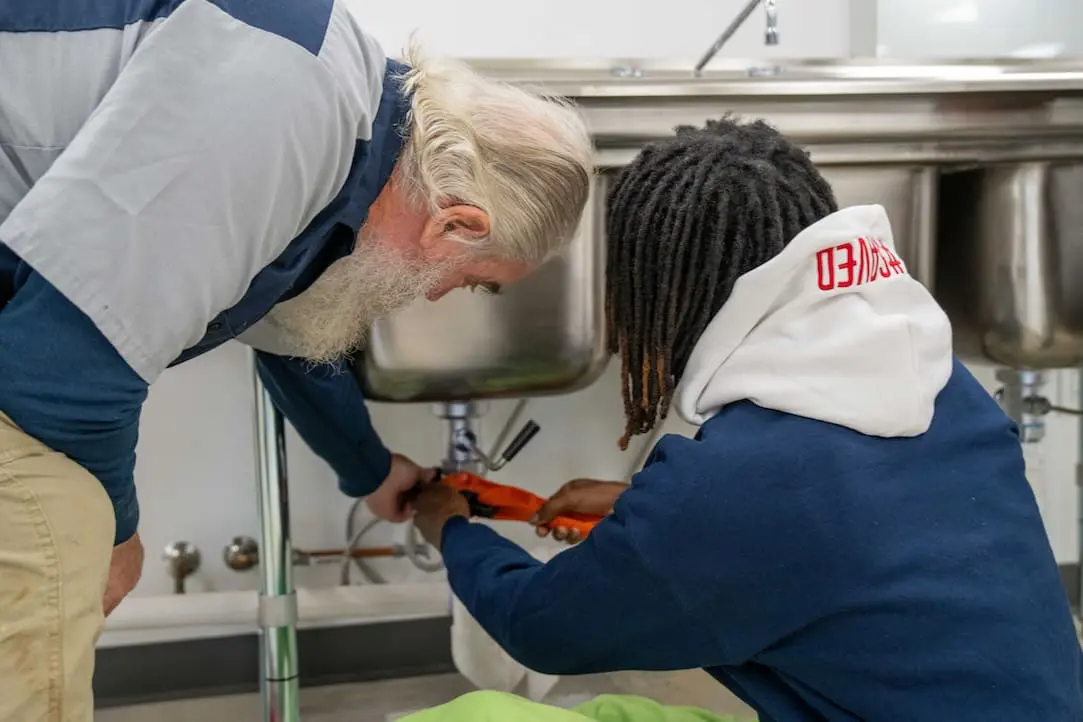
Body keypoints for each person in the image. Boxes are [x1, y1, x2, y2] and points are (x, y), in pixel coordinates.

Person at [0, 1, 592, 718]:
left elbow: (293, 337)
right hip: (32, 370)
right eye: (471, 281)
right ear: (457, 221)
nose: (442, 298)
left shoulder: (345, 152)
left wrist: (371, 472)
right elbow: (62, 376)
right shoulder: (287, 103)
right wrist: (118, 537)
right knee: (54, 570)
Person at [412, 117, 1083, 720]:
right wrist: (638, 509)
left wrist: (451, 528)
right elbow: (859, 521)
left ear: (669, 286)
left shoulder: (740, 484)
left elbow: (542, 627)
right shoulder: (937, 383)